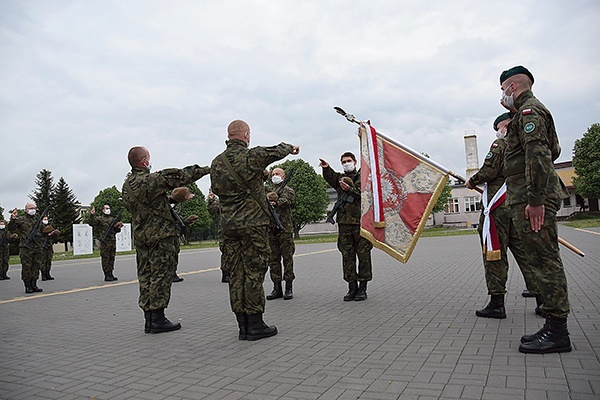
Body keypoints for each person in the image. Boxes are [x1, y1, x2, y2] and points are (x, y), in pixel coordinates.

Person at [499, 65, 571, 354]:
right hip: (527, 197)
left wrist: (536, 200)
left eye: (503, 90)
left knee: (545, 261)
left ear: (512, 87)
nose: (502, 96)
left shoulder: (530, 112)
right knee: (540, 260)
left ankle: (558, 332)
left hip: (532, 199)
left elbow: (540, 155)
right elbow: (554, 150)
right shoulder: (525, 114)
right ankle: (553, 326)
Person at [210, 119, 299, 341]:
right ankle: (255, 324)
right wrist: (291, 148)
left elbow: (219, 190)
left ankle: (242, 325)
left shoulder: (216, 162)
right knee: (254, 272)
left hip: (229, 226)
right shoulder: (251, 156)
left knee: (236, 274)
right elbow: (276, 150)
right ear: (246, 135)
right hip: (253, 226)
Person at [122, 146, 210, 334]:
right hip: (160, 236)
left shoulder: (127, 185)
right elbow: (183, 175)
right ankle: (158, 320)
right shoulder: (150, 180)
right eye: (149, 158)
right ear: (144, 161)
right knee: (161, 276)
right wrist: (208, 169)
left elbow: (149, 203)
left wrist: (170, 200)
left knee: (146, 276)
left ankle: (149, 319)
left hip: (141, 236)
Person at [466, 113, 541, 319]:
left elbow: (489, 171)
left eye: (498, 127)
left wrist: (473, 180)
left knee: (494, 253)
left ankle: (497, 303)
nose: (498, 131)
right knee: (525, 252)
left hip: (497, 208)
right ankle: (542, 299)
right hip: (518, 205)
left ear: (506, 125)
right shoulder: (525, 145)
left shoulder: (501, 144)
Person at [320, 152, 373, 301]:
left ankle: (363, 287)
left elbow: (363, 192)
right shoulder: (340, 179)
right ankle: (352, 287)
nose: (346, 163)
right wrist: (326, 167)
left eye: (348, 161)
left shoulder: (362, 177)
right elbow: (331, 177)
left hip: (360, 223)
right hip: (344, 224)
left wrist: (349, 190)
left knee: (363, 255)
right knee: (347, 256)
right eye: (343, 161)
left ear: (355, 162)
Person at [265, 167, 296, 300]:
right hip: (271, 230)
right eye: (273, 174)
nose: (275, 176)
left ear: (283, 176)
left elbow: (288, 201)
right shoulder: (268, 190)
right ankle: (276, 287)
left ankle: (288, 287)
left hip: (284, 229)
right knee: (273, 260)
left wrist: (275, 202)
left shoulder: (287, 190)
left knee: (287, 259)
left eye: (277, 174)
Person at [7, 203, 45, 293]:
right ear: (26, 210)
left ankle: (34, 284)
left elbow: (43, 230)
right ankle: (28, 285)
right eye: (31, 208)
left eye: (34, 208)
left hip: (37, 246)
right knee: (27, 266)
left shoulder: (37, 219)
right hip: (26, 247)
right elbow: (11, 228)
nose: (33, 210)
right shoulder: (21, 219)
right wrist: (13, 219)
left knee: (36, 265)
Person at [89, 205, 123, 281]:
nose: (108, 210)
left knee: (112, 257)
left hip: (112, 241)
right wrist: (92, 215)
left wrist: (118, 227)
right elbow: (91, 223)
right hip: (105, 241)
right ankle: (106, 274)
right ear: (103, 210)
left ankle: (111, 273)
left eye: (109, 208)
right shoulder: (100, 219)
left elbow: (116, 231)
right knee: (105, 258)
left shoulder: (112, 219)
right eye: (106, 208)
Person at [207, 191, 230, 283]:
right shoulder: (221, 202)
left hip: (237, 228)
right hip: (224, 230)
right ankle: (226, 274)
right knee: (226, 252)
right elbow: (212, 211)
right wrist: (211, 200)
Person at [40, 215, 60, 281]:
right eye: (44, 219)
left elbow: (55, 235)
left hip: (49, 245)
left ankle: (48, 273)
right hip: (42, 245)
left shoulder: (49, 226)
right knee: (43, 260)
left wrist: (53, 233)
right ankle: (43, 274)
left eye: (47, 219)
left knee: (48, 260)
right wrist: (45, 233)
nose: (46, 220)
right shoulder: (40, 226)